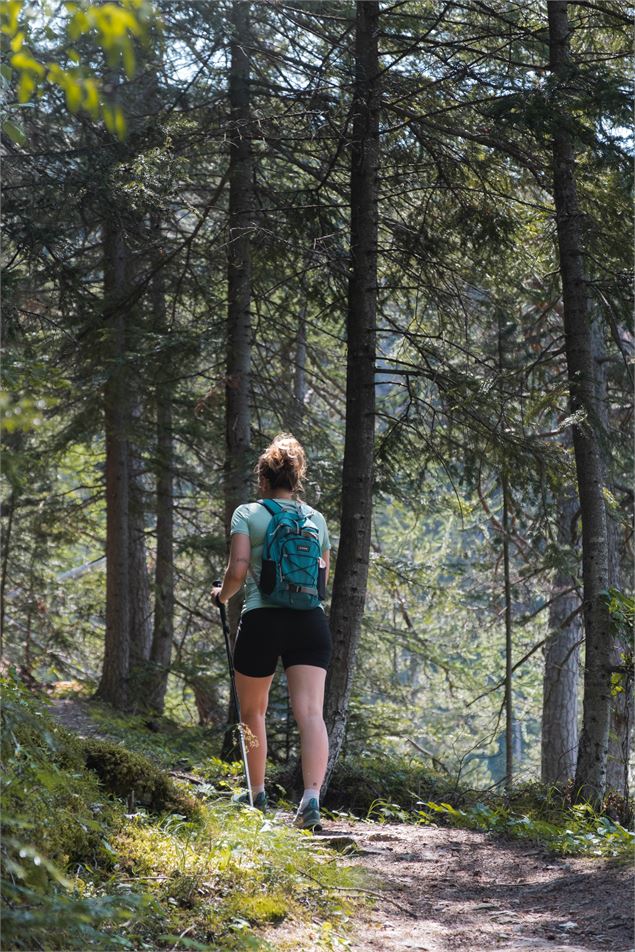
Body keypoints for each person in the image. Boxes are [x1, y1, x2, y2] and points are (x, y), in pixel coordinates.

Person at [211, 434, 332, 831]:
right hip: (309, 621)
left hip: (262, 620)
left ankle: (256, 795)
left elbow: (238, 570)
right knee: (311, 713)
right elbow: (321, 573)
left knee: (252, 712)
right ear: (296, 478)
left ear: (263, 478)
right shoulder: (316, 519)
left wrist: (221, 594)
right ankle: (311, 799)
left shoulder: (248, 513)